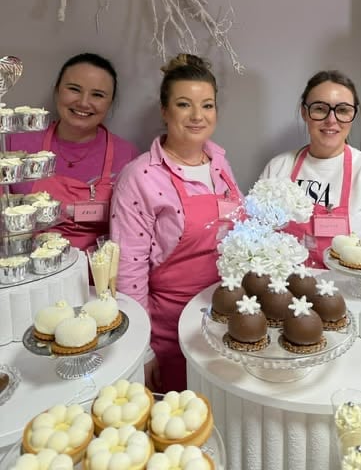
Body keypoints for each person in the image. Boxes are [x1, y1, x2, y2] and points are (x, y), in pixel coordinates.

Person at [110, 53, 242, 392]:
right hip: (168, 332)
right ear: (165, 110)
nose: (198, 116)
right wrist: (143, 348)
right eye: (184, 104)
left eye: (207, 105)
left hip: (224, 322)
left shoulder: (220, 162)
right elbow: (128, 272)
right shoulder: (140, 176)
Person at [260, 69, 361, 267]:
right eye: (320, 108)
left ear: (353, 115)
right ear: (304, 112)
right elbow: (258, 240)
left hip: (351, 295)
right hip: (284, 291)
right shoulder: (278, 168)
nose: (331, 120)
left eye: (343, 110)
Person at [8, 52, 139, 250]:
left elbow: (133, 232)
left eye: (98, 95)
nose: (84, 102)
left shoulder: (126, 156)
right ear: (57, 91)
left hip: (95, 276)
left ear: (110, 103)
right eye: (74, 89)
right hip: (28, 272)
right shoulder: (16, 145)